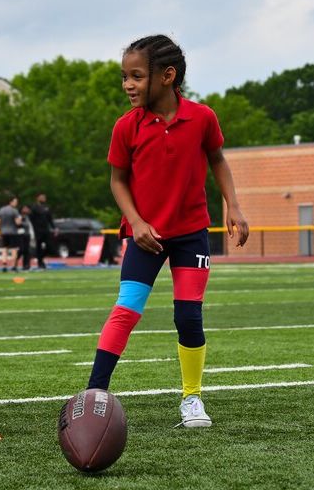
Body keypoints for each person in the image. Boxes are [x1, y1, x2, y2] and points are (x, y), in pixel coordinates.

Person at [84, 34, 249, 429]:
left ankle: (192, 399)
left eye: (136, 76)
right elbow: (118, 181)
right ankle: (93, 395)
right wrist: (137, 223)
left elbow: (218, 160)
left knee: (188, 316)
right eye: (124, 76)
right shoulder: (126, 127)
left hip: (192, 233)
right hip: (145, 237)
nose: (127, 85)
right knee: (126, 311)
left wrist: (235, 206)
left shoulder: (203, 118)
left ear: (167, 76)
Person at [30, 193, 55, 270]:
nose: (44, 198)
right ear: (38, 198)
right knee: (39, 247)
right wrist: (34, 228)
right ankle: (40, 263)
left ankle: (40, 258)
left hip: (46, 230)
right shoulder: (34, 207)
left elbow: (50, 218)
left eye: (44, 197)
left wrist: (54, 227)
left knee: (50, 246)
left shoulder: (47, 207)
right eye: (42, 197)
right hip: (38, 231)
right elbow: (31, 219)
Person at [0, 196, 21, 272]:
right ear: (11, 202)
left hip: (3, 232)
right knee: (14, 249)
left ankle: (4, 264)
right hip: (13, 232)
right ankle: (14, 265)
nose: (16, 203)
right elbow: (18, 222)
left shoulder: (1, 210)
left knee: (4, 249)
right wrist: (20, 220)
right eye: (15, 202)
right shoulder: (14, 211)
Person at [15, 205, 35, 272]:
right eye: (25, 209)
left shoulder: (28, 217)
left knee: (27, 251)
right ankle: (15, 264)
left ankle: (26, 266)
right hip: (20, 235)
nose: (26, 210)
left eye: (27, 208)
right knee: (21, 250)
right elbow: (18, 224)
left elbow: (29, 226)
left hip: (27, 235)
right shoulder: (18, 216)